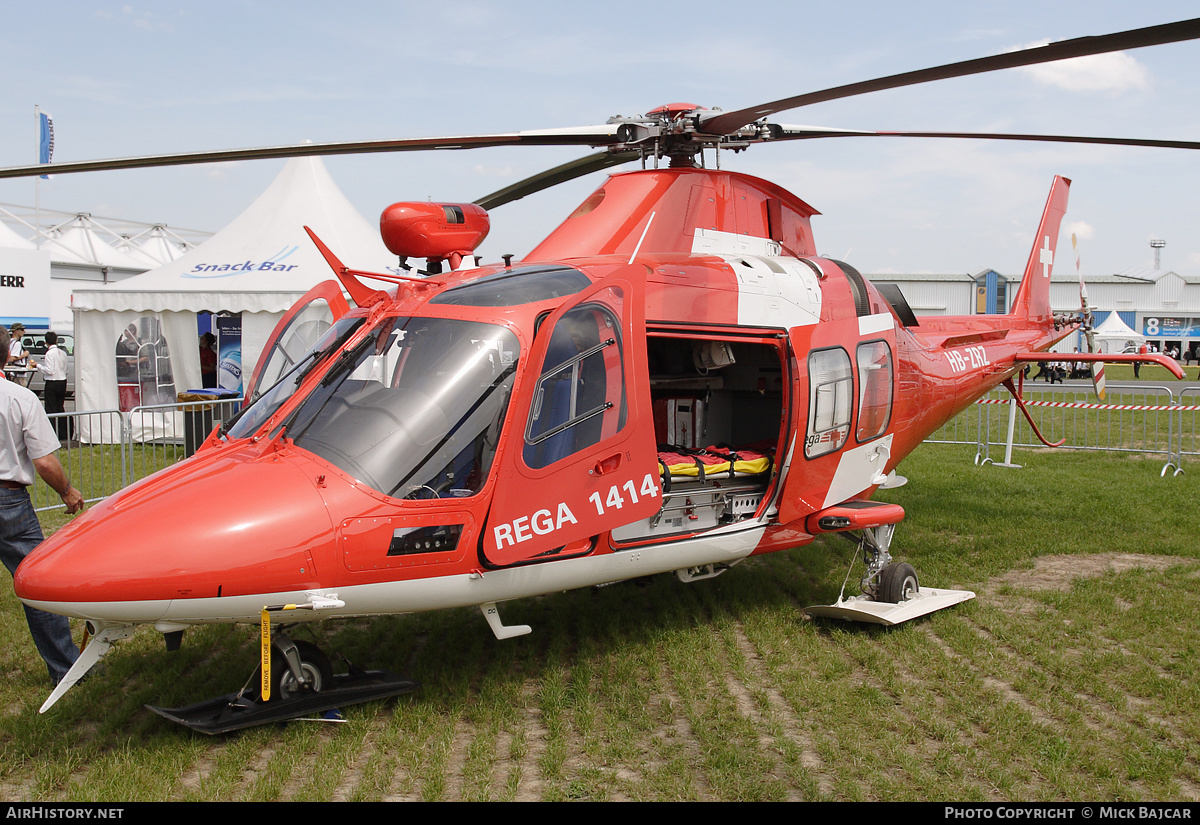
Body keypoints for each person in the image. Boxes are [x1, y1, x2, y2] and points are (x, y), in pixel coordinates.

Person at [0, 325, 84, 685]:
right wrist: (67, 491)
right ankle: (67, 669)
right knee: (36, 585)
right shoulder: (18, 398)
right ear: (7, 354)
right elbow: (45, 462)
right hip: (9, 501)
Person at [33, 332, 69, 439]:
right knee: (60, 407)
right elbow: (65, 369)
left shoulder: (49, 354)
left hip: (52, 382)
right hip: (62, 381)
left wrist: (38, 366)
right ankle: (63, 433)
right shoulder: (63, 353)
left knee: (50, 408)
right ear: (56, 340)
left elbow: (49, 370)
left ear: (45, 342)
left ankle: (52, 432)